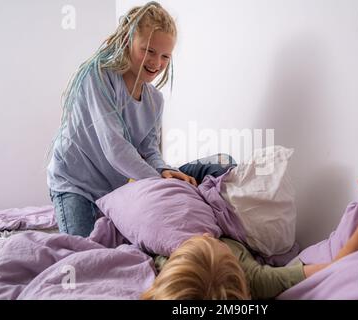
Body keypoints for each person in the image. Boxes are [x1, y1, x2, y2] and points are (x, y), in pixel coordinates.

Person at [47, 2, 235, 238]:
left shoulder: (155, 100)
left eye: (165, 56)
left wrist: (164, 170)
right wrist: (160, 183)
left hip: (115, 189)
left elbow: (149, 149)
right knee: (85, 254)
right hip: (75, 184)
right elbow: (115, 148)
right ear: (128, 41)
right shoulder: (98, 76)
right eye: (149, 51)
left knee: (223, 163)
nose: (157, 63)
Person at [141, 166, 358, 300]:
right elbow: (337, 269)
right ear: (241, 280)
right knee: (221, 165)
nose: (205, 233)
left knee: (186, 172)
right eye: (213, 243)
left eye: (192, 244)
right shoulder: (258, 279)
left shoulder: (164, 266)